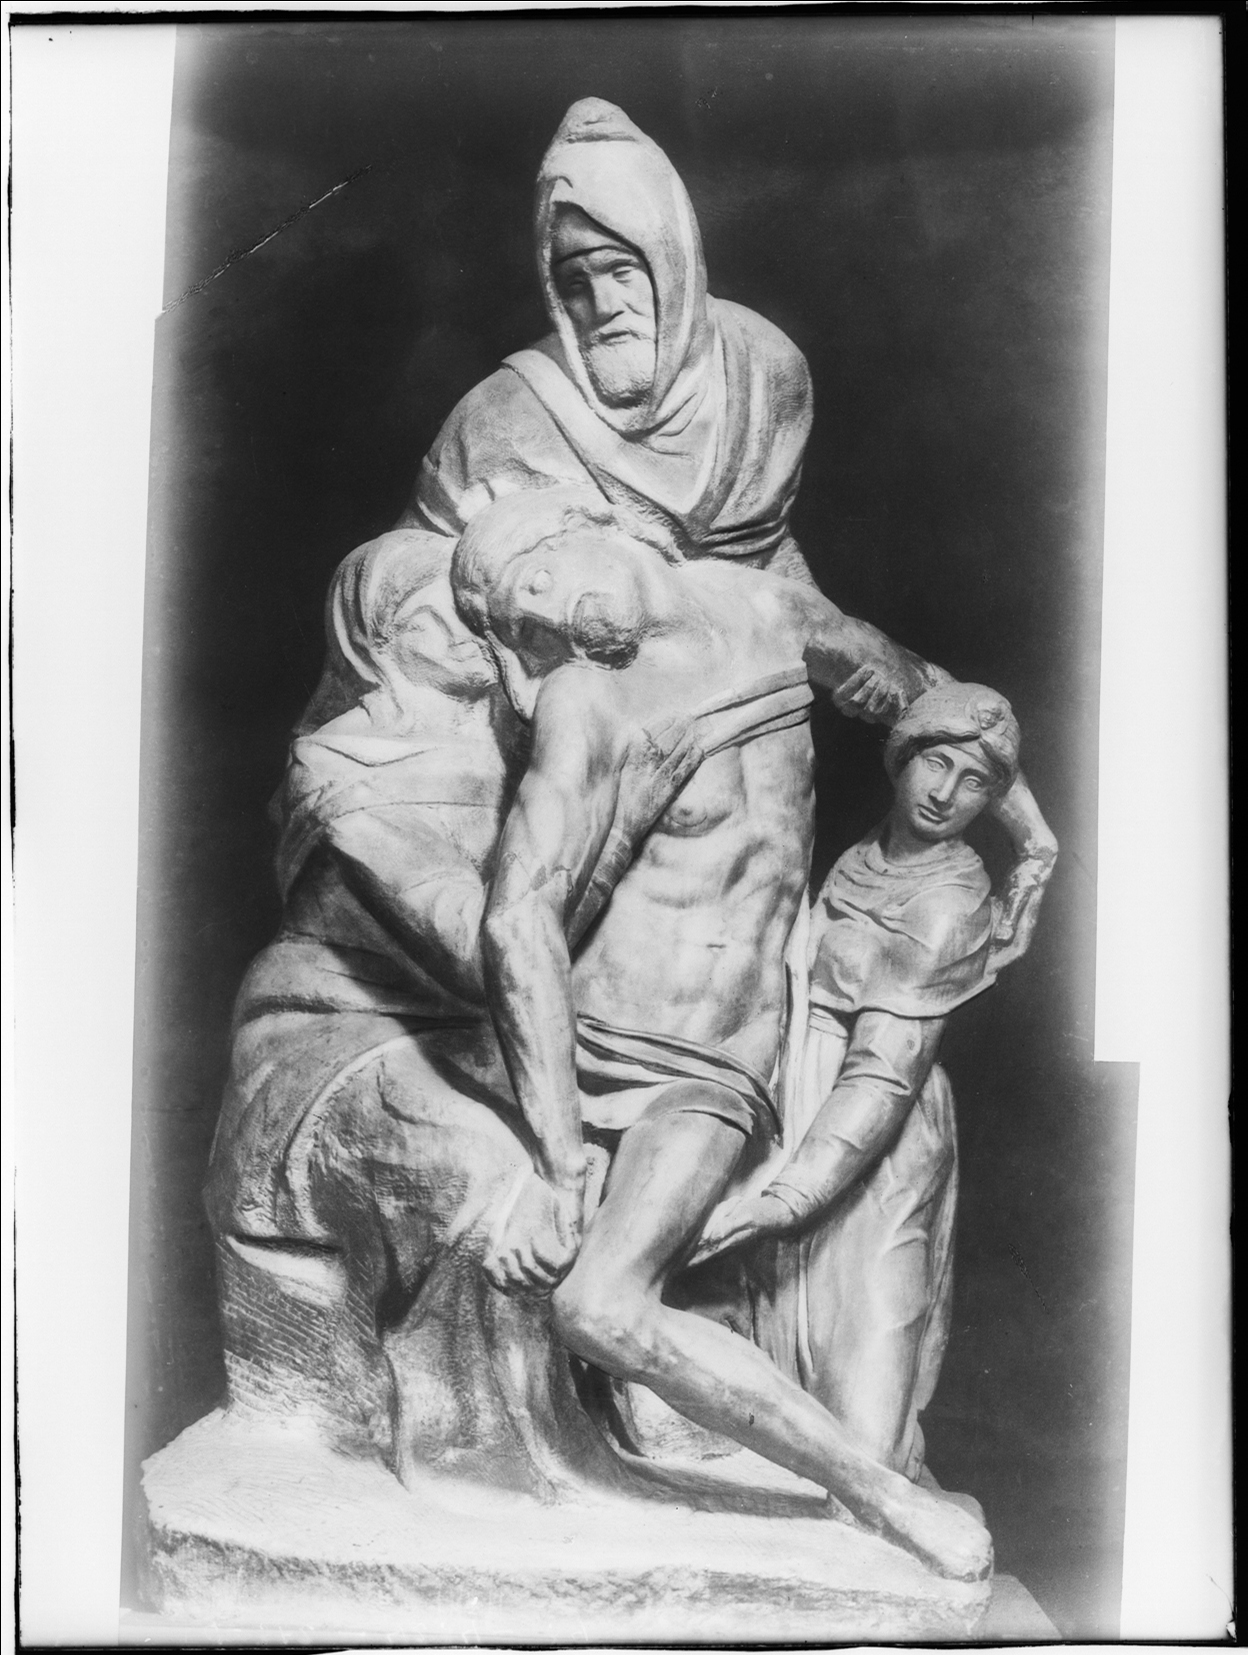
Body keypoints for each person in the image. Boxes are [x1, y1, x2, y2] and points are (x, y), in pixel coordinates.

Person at [450, 487, 1052, 1579]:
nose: (539, 614)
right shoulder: (587, 697)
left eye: (532, 577)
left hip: (711, 1065)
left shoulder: (769, 612)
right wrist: (560, 1151)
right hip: (585, 1042)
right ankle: (871, 1488)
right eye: (514, 618)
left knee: (600, 1305)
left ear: (590, 525)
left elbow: (925, 697)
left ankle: (877, 1491)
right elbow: (517, 912)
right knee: (580, 1295)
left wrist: (1031, 831)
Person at [204, 527, 703, 1500]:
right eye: (446, 615)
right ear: (378, 640)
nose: (481, 629)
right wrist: (618, 820)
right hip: (338, 1038)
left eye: (484, 613)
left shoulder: (525, 735)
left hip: (486, 1035)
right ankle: (487, 1457)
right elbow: (482, 951)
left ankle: (659, 1402)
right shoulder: (341, 769)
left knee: (655, 1133)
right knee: (489, 1170)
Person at [692, 682, 1056, 1485]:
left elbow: (882, 1076)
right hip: (793, 1098)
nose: (945, 793)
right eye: (935, 761)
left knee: (864, 1419)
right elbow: (913, 680)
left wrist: (782, 1199)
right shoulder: (865, 857)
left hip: (875, 1143)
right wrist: (1037, 837)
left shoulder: (949, 903)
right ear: (903, 754)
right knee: (761, 1371)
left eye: (975, 782)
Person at [399, 98, 817, 583]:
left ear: (672, 263)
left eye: (622, 271)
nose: (604, 305)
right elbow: (407, 566)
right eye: (575, 283)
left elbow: (772, 557)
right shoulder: (503, 414)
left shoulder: (763, 368)